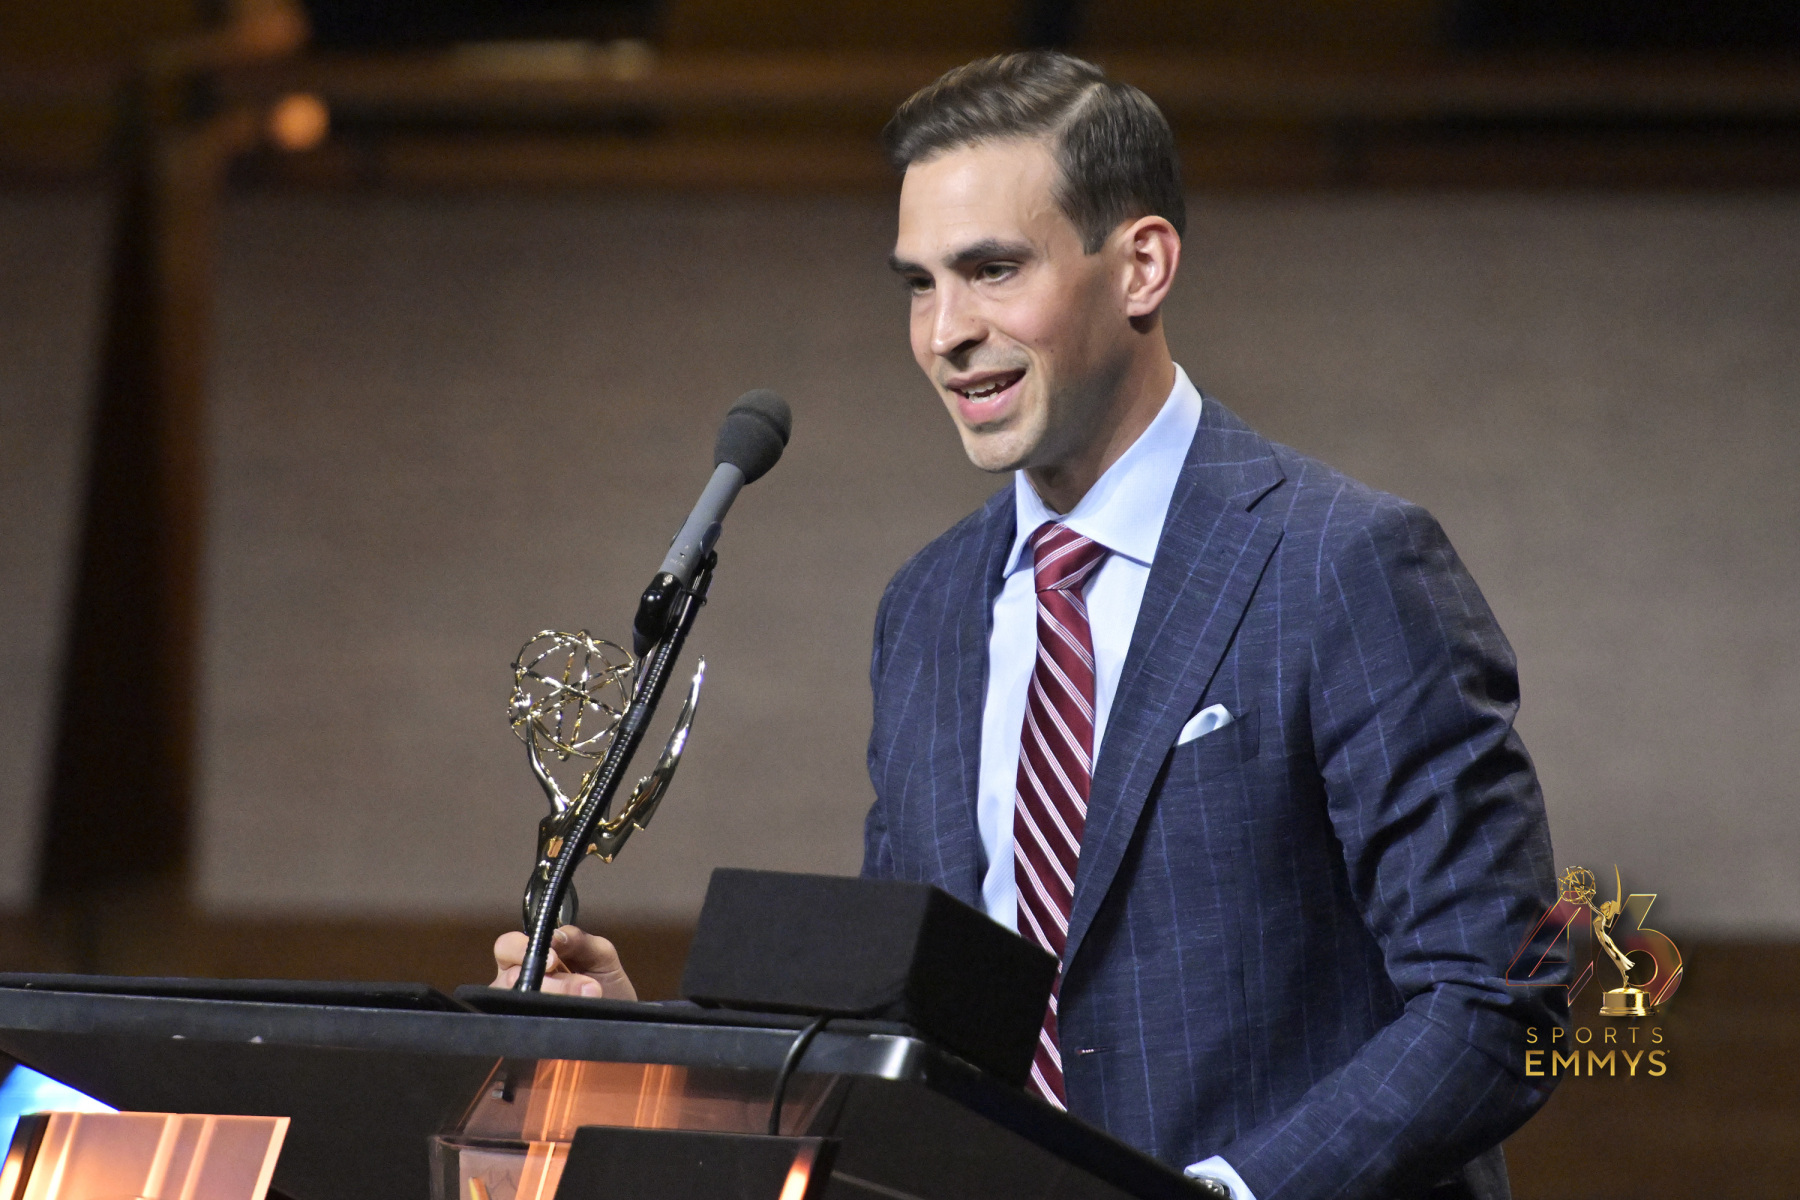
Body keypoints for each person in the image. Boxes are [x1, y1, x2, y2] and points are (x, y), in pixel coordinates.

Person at [497, 51, 1566, 1200]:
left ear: (1142, 266)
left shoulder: (1341, 565)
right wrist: (650, 1045)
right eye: (919, 284)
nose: (945, 332)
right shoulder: (927, 608)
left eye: (993, 270)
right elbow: (902, 1020)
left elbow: (1499, 1002)